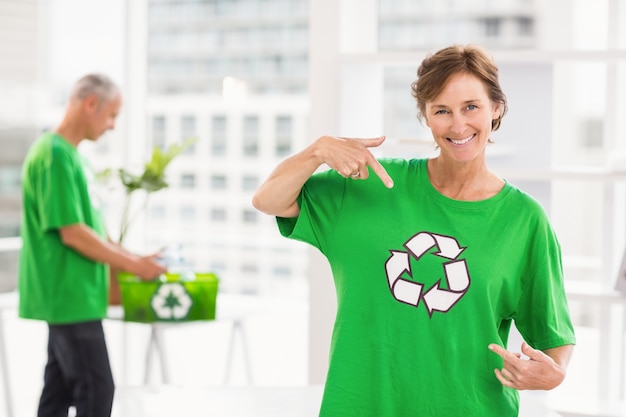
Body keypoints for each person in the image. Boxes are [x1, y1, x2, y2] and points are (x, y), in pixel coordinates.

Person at [252, 44, 576, 416]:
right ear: (425, 116)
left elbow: (553, 339)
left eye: (471, 107)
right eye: (442, 110)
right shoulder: (369, 186)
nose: (458, 125)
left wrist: (554, 374)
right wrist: (317, 151)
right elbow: (268, 200)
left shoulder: (524, 220)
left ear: (496, 109)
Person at [19, 73, 167, 417]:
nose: (113, 126)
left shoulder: (71, 158)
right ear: (90, 105)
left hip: (76, 295)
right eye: (112, 115)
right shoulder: (53, 155)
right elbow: (72, 232)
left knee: (57, 395)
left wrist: (136, 257)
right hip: (69, 297)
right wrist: (133, 267)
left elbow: (94, 230)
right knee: (97, 389)